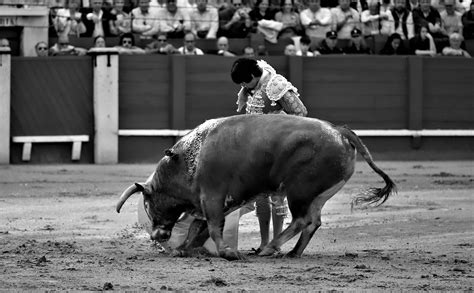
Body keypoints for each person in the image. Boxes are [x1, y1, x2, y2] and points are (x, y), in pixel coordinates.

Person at [230, 58, 307, 254]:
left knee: (277, 197)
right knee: (261, 197)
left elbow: (301, 114)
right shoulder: (251, 85)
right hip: (257, 151)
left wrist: (278, 127)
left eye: (245, 82)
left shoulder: (276, 84)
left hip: (278, 150)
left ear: (254, 76)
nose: (243, 87)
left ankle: (277, 244)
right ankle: (265, 243)